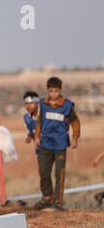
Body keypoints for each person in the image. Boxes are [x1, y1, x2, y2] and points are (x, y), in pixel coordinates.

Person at [34, 77, 81, 211]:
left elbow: (75, 122)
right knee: (43, 172)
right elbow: (39, 121)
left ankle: (58, 201)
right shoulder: (42, 104)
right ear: (48, 90)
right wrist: (37, 136)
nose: (53, 93)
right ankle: (47, 197)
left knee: (59, 173)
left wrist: (75, 138)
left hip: (60, 144)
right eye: (51, 91)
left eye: (56, 91)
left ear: (60, 90)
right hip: (45, 144)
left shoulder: (67, 105)